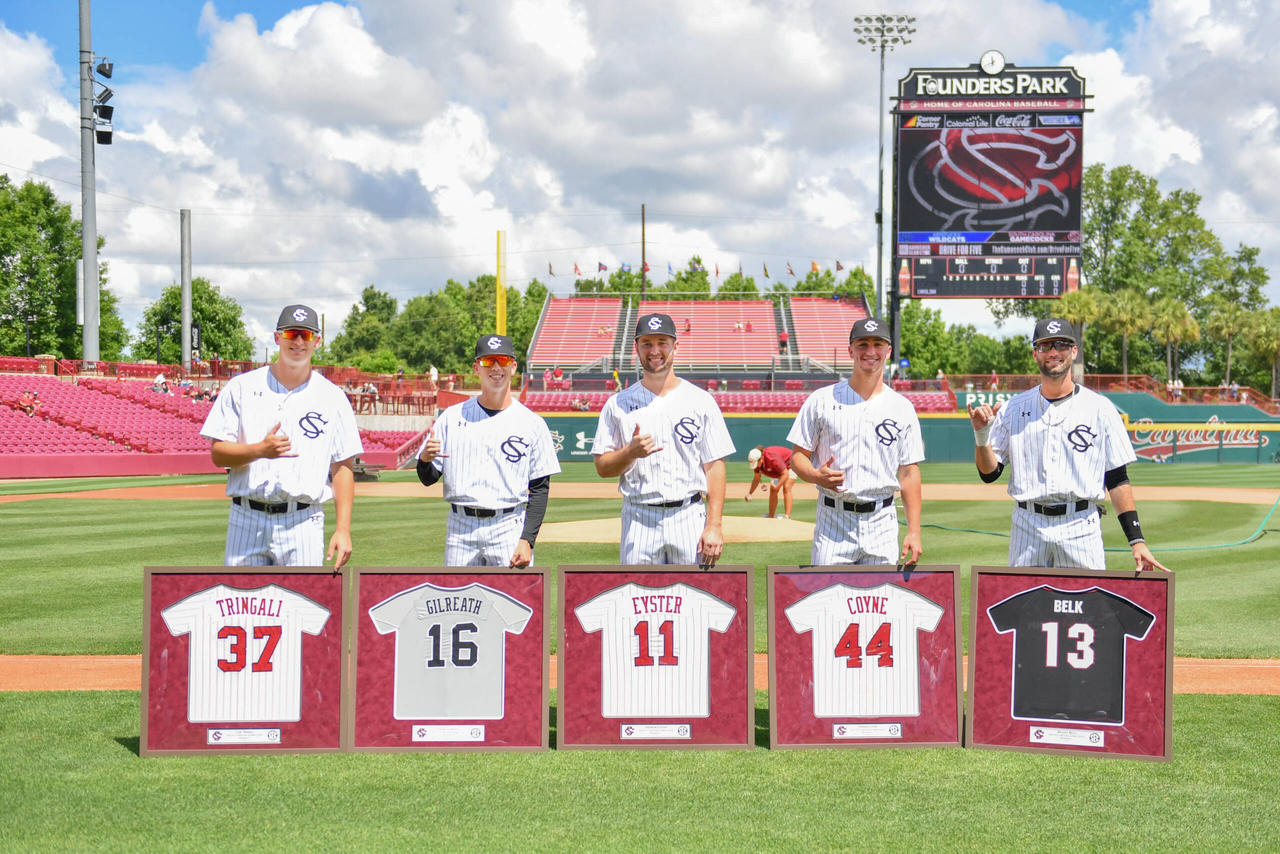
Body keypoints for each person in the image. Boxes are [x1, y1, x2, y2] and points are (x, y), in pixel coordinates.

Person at [969, 318, 1168, 572]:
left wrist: (1136, 540)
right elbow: (989, 473)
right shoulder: (1012, 408)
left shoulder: (1101, 409)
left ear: (1073, 351)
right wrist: (982, 436)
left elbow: (1117, 479)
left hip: (1080, 525)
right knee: (1024, 609)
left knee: (1087, 607)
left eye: (1061, 345)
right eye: (1045, 346)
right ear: (1035, 354)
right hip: (1028, 524)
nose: (1053, 352)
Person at [200, 304, 362, 567]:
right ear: (277, 337)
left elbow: (342, 465)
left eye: (306, 335)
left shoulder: (333, 398)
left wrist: (343, 529)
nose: (298, 341)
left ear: (317, 341)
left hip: (303, 520)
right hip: (246, 517)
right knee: (241, 605)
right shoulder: (242, 387)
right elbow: (218, 453)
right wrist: (260, 450)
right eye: (291, 333)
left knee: (302, 605)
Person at [593, 313, 734, 566]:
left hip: (689, 515)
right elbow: (603, 468)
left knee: (693, 600)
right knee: (638, 599)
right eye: (646, 343)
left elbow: (714, 467)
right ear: (636, 348)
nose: (654, 350)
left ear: (675, 346)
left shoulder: (701, 400)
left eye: (662, 342)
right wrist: (629, 453)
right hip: (639, 516)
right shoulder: (617, 404)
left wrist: (714, 525)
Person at [788, 318, 924, 566]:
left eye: (878, 344)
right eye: (862, 344)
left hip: (882, 520)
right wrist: (815, 475)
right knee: (828, 601)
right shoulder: (821, 400)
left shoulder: (903, 407)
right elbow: (797, 457)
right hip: (833, 520)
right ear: (851, 350)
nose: (870, 351)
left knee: (878, 602)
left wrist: (914, 531)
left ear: (888, 351)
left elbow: (908, 473)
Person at [417, 334, 561, 567]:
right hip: (460, 527)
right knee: (457, 601)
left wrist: (528, 540)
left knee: (516, 601)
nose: (496, 367)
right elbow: (428, 478)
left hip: (509, 525)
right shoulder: (451, 418)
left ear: (513, 367)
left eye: (502, 360)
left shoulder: (532, 423)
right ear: (476, 368)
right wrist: (424, 459)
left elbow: (540, 489)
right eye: (488, 361)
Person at [745, 445, 795, 519]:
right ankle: (771, 516)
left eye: (755, 463)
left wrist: (777, 486)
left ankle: (787, 516)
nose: (755, 466)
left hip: (790, 463)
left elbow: (785, 474)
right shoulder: (758, 464)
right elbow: (756, 479)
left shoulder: (772, 459)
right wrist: (750, 493)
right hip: (778, 469)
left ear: (761, 459)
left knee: (786, 487)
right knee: (773, 490)